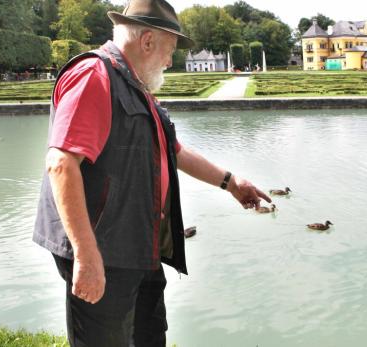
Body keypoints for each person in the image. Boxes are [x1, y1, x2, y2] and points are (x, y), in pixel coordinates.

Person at [32, 1, 271, 346]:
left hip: (137, 247)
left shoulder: (134, 86)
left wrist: (232, 183)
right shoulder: (94, 77)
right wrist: (86, 255)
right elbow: (61, 164)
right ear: (147, 42)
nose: (170, 61)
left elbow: (174, 150)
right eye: (170, 50)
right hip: (103, 252)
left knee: (148, 336)